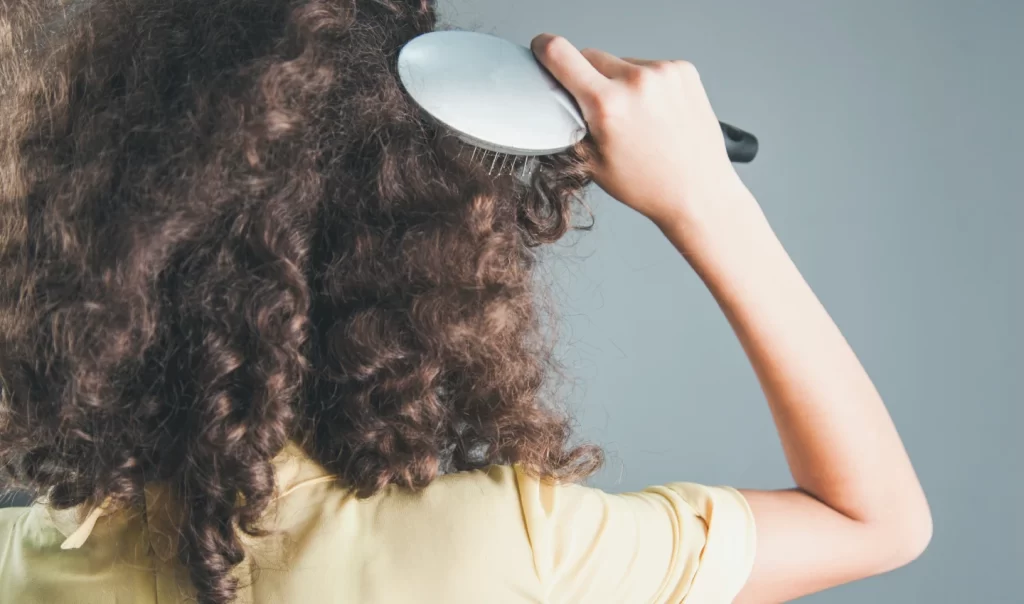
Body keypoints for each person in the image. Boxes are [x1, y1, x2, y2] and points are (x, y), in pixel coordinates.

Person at [0, 1, 931, 603]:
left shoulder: (31, 557)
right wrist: (707, 200)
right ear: (434, 243)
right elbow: (878, 520)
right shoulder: (512, 551)